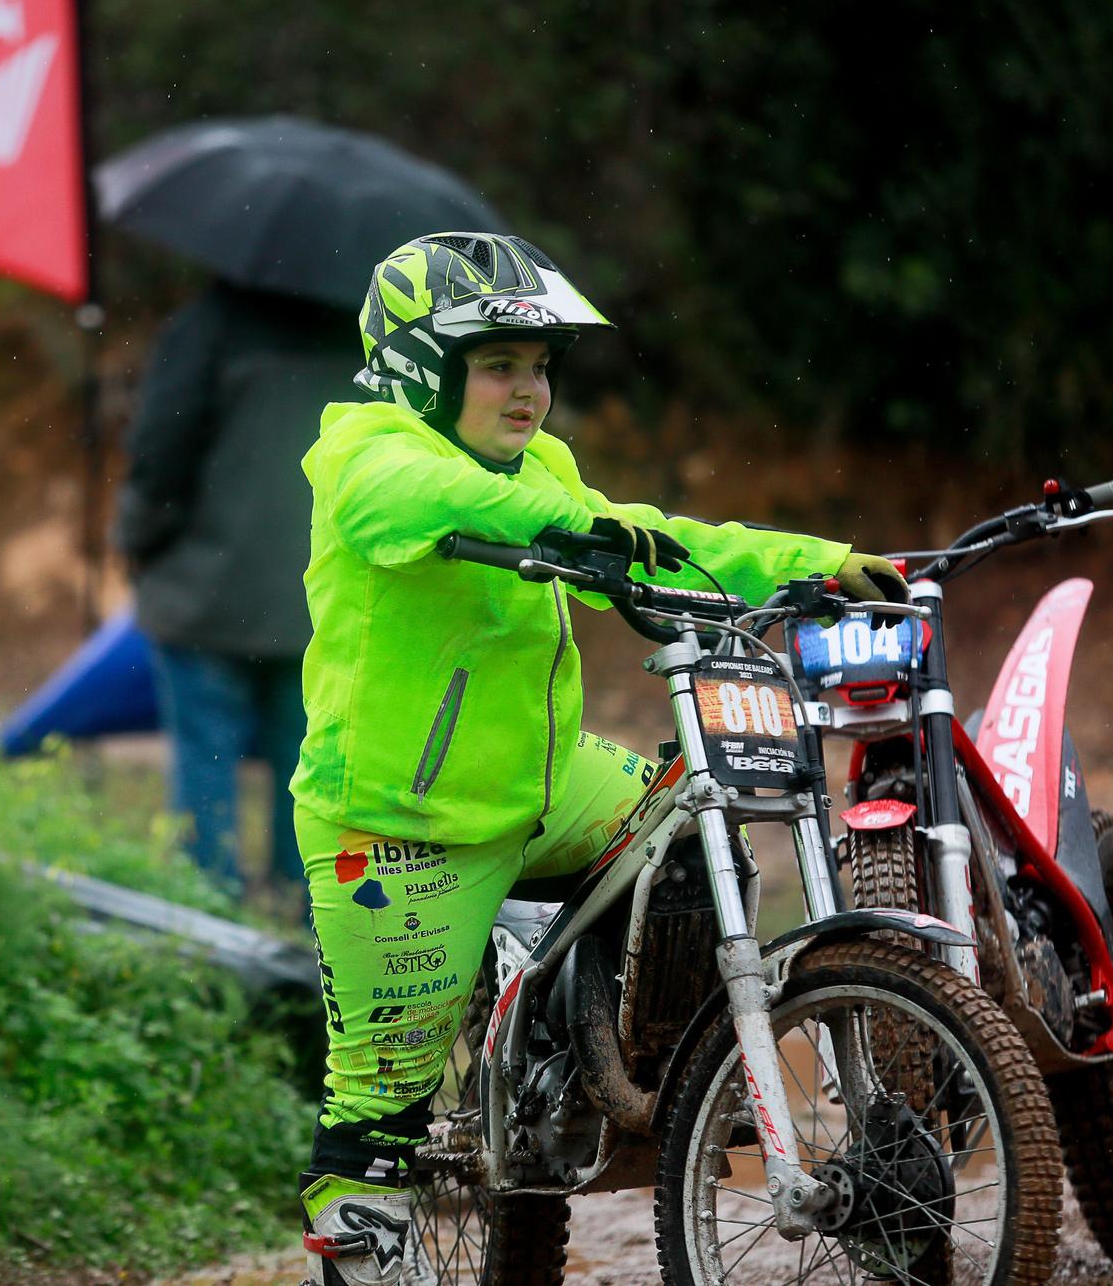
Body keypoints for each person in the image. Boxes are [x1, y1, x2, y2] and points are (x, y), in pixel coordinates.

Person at [290, 232, 911, 1283]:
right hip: (398, 825)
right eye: (496, 364)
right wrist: (579, 527)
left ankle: (599, 1058)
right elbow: (442, 504)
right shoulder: (362, 452)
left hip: (544, 786)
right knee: (377, 1107)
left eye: (538, 366)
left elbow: (640, 531)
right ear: (418, 367)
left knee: (686, 818)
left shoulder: (540, 469)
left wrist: (812, 563)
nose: (527, 389)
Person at [115, 283, 356, 903]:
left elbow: (161, 453)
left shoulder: (207, 327)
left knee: (205, 757)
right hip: (317, 598)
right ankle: (300, 911)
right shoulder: (361, 333)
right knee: (306, 763)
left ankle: (208, 915)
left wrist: (137, 538)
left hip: (205, 590)